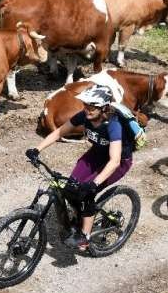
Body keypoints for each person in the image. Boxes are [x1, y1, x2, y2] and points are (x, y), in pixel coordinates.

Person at [25, 85, 135, 251]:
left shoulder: (113, 125)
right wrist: (37, 149)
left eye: (92, 106)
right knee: (71, 186)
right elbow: (59, 132)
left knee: (87, 193)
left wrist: (94, 184)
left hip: (118, 162)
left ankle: (85, 237)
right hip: (96, 155)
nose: (87, 109)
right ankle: (78, 218)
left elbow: (114, 161)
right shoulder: (84, 116)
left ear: (104, 107)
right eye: (86, 105)